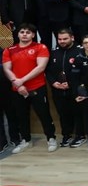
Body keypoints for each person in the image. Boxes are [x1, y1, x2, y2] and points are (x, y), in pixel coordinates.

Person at [2, 23, 57, 154]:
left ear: (33, 35)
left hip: (37, 87)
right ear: (18, 34)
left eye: (28, 32)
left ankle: (51, 138)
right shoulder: (9, 50)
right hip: (17, 89)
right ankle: (26, 140)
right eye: (22, 32)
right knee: (21, 115)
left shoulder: (40, 47)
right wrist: (18, 84)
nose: (25, 34)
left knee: (44, 114)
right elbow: (7, 69)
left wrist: (22, 80)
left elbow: (40, 67)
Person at [46, 28, 82, 147]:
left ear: (72, 38)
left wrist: (71, 83)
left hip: (75, 89)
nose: (62, 41)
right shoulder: (53, 53)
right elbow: (48, 71)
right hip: (58, 90)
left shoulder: (80, 51)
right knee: (63, 114)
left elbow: (83, 72)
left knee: (78, 113)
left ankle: (80, 135)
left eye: (65, 39)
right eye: (60, 39)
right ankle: (66, 135)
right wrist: (53, 83)